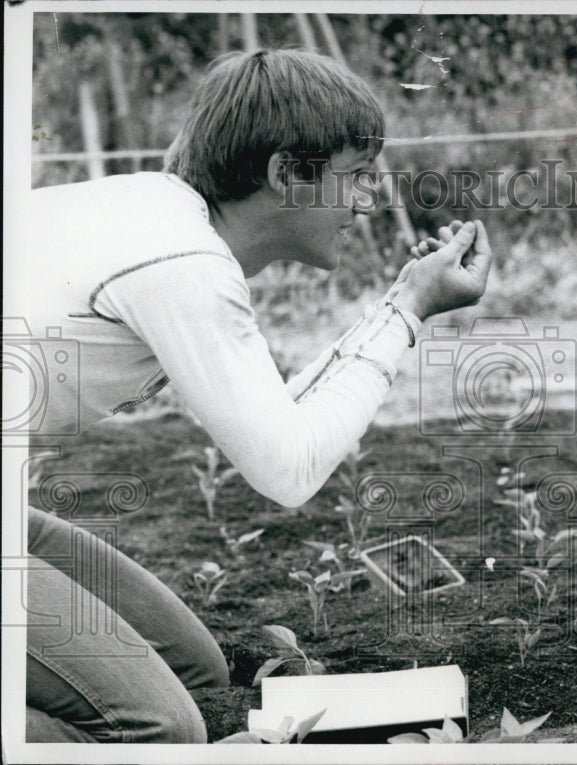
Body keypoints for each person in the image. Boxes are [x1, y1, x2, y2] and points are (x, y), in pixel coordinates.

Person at [21, 48, 491, 743]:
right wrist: (408, 313)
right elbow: (287, 471)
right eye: (356, 177)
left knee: (199, 673)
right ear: (284, 173)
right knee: (157, 726)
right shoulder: (181, 263)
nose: (368, 201)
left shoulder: (166, 226)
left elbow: (277, 423)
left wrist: (402, 303)